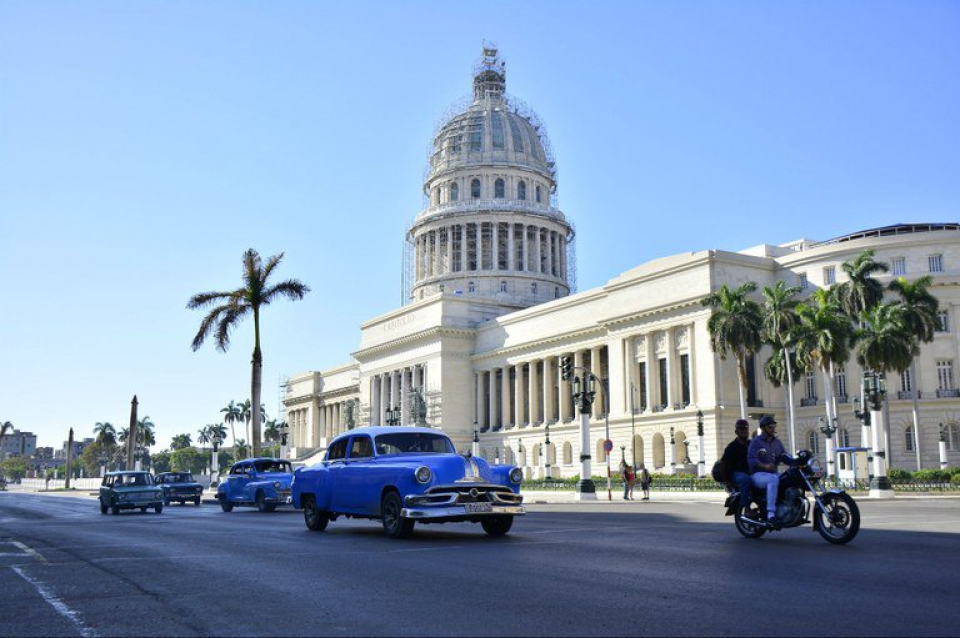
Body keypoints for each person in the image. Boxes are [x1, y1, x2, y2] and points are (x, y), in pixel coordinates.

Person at [748, 415, 788, 527]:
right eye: (770, 427)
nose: (773, 429)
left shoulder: (777, 442)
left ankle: (784, 505)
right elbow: (751, 460)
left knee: (788, 478)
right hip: (757, 474)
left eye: (774, 426)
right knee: (773, 480)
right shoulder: (756, 442)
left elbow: (784, 456)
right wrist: (764, 466)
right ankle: (771, 514)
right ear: (763, 428)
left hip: (773, 473)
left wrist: (797, 461)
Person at [720, 418, 753, 513]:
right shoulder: (731, 447)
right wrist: (727, 481)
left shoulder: (752, 444)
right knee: (745, 479)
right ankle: (746, 508)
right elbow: (723, 463)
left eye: (746, 428)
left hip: (750, 472)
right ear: (736, 431)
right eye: (741, 428)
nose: (744, 430)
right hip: (737, 474)